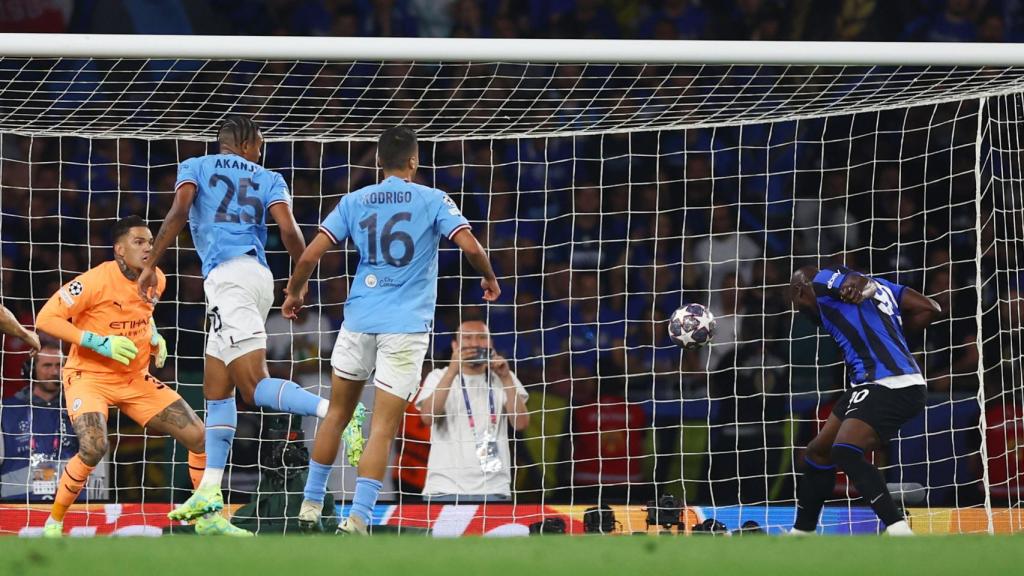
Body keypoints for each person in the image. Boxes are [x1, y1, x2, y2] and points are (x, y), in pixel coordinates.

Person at [282, 126, 500, 534]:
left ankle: (310, 505)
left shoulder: (354, 200)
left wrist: (295, 292)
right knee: (382, 425)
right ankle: (360, 518)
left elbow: (311, 254)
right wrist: (488, 278)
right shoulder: (433, 199)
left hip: (359, 321)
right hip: (405, 328)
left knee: (338, 414)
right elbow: (470, 247)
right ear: (413, 162)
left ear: (380, 161)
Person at [139, 116, 326, 535]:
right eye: (259, 145)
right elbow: (290, 230)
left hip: (229, 279)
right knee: (216, 387)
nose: (260, 153)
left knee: (251, 384)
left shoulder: (196, 166)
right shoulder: (269, 176)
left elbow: (178, 213)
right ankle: (209, 497)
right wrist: (298, 283)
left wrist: (152, 264)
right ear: (245, 144)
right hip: (253, 278)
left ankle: (334, 413)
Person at [34, 216, 208, 537]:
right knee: (93, 447)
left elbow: (141, 313)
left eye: (151, 242)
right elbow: (46, 318)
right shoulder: (94, 281)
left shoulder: (157, 279)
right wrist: (97, 341)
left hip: (133, 379)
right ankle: (54, 521)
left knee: (199, 437)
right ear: (119, 250)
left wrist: (154, 336)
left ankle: (206, 517)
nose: (148, 248)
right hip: (89, 376)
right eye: (139, 242)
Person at [789, 265, 943, 536]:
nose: (797, 308)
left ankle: (898, 530)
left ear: (800, 292)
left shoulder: (820, 281)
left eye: (795, 300)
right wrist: (889, 334)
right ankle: (802, 533)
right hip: (878, 384)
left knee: (845, 450)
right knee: (818, 451)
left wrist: (861, 284)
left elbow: (856, 280)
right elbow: (930, 307)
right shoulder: (887, 287)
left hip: (888, 383)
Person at [417, 319, 528, 501]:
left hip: (494, 488)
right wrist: (452, 370)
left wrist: (506, 378)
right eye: (467, 338)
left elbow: (521, 424)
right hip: (444, 487)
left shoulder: (504, 377)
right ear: (455, 345)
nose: (475, 343)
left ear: (491, 343)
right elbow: (428, 417)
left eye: (482, 338)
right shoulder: (437, 376)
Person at [0, 337, 81, 501]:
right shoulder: (6, 410)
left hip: (69, 504)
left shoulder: (78, 408)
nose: (54, 372)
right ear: (30, 370)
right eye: (47, 365)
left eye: (59, 365)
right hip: (17, 506)